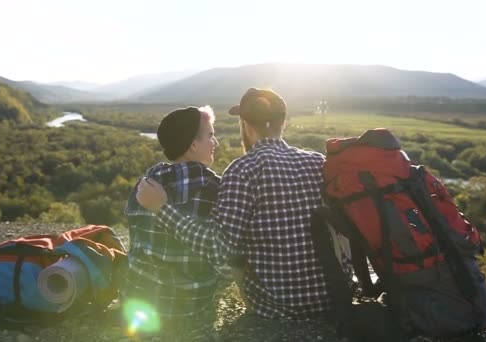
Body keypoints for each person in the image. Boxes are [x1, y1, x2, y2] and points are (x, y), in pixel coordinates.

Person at [136, 88, 347, 320]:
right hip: (334, 295)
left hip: (277, 306)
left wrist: (163, 210)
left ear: (245, 125)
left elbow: (218, 249)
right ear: (283, 122)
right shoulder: (318, 162)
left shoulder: (243, 170)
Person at [123, 106, 222, 332]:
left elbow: (135, 238)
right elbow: (220, 253)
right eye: (210, 135)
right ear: (192, 144)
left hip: (139, 303)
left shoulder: (145, 183)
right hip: (189, 308)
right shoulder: (213, 186)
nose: (215, 142)